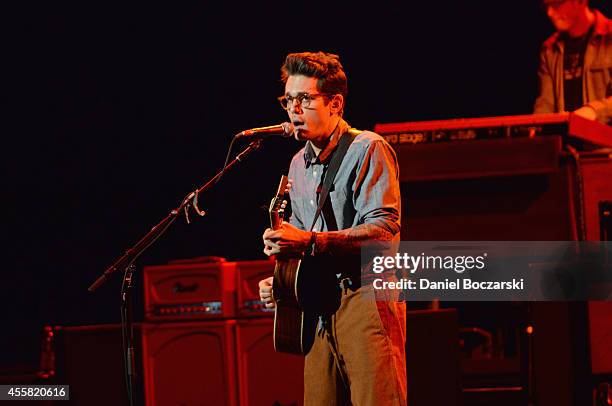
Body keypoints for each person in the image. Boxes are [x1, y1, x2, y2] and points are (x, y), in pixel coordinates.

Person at [258, 51, 407, 405]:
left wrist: (310, 240)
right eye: (288, 100)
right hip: (316, 305)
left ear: (335, 103)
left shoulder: (367, 149)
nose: (294, 109)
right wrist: (281, 279)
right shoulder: (297, 164)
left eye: (305, 99)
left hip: (365, 298)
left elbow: (384, 232)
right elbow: (300, 242)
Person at [535, 0, 612, 124]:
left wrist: (593, 111)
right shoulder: (549, 49)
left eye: (556, 4)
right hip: (565, 142)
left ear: (580, 2)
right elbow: (545, 105)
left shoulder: (609, 38)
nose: (549, 13)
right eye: (546, 6)